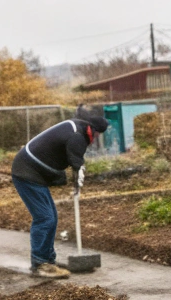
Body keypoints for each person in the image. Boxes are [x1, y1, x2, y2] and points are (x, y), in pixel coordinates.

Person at [10, 106, 110, 278]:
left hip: (32, 171)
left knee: (51, 217)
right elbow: (77, 164)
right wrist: (78, 186)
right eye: (97, 135)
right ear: (93, 131)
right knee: (45, 218)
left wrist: (75, 184)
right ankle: (41, 264)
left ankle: (48, 260)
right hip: (26, 173)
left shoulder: (77, 126)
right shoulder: (77, 137)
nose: (96, 139)